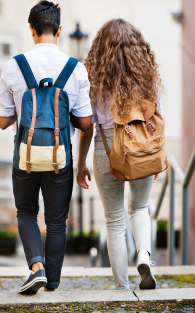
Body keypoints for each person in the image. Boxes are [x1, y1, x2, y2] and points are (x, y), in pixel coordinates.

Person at [0, 0, 92, 294]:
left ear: (31, 30)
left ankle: (36, 267)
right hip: (59, 157)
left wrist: (24, 113)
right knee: (57, 220)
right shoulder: (76, 70)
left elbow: (1, 121)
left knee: (25, 211)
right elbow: (86, 123)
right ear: (59, 30)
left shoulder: (14, 66)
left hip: (24, 155)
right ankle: (51, 281)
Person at [76, 18, 163, 290]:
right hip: (143, 146)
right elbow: (157, 118)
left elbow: (87, 128)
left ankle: (122, 288)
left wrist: (81, 164)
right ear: (138, 48)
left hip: (106, 147)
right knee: (139, 207)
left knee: (114, 220)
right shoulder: (148, 77)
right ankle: (144, 257)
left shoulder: (92, 80)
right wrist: (160, 156)